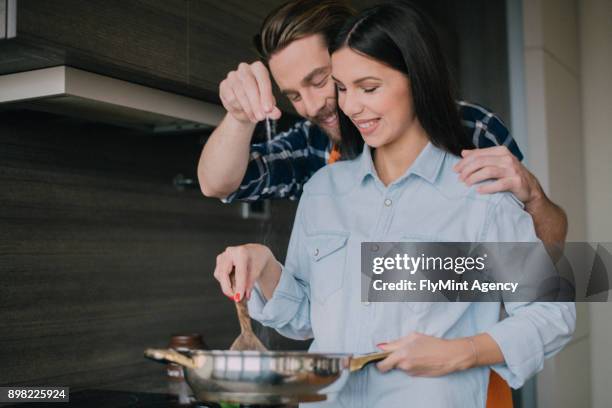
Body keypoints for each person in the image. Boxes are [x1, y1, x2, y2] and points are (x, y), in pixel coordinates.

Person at [212, 2, 575, 407]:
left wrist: (462, 351)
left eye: (369, 88)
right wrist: (264, 267)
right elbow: (308, 319)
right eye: (344, 88)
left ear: (416, 80)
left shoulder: (478, 191)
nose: (349, 106)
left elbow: (551, 314)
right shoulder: (322, 190)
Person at [198, 0, 567, 250]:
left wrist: (532, 196)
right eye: (293, 95)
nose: (311, 106)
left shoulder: (474, 131)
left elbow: (547, 271)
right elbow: (218, 183)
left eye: (320, 80)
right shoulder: (317, 163)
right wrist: (239, 114)